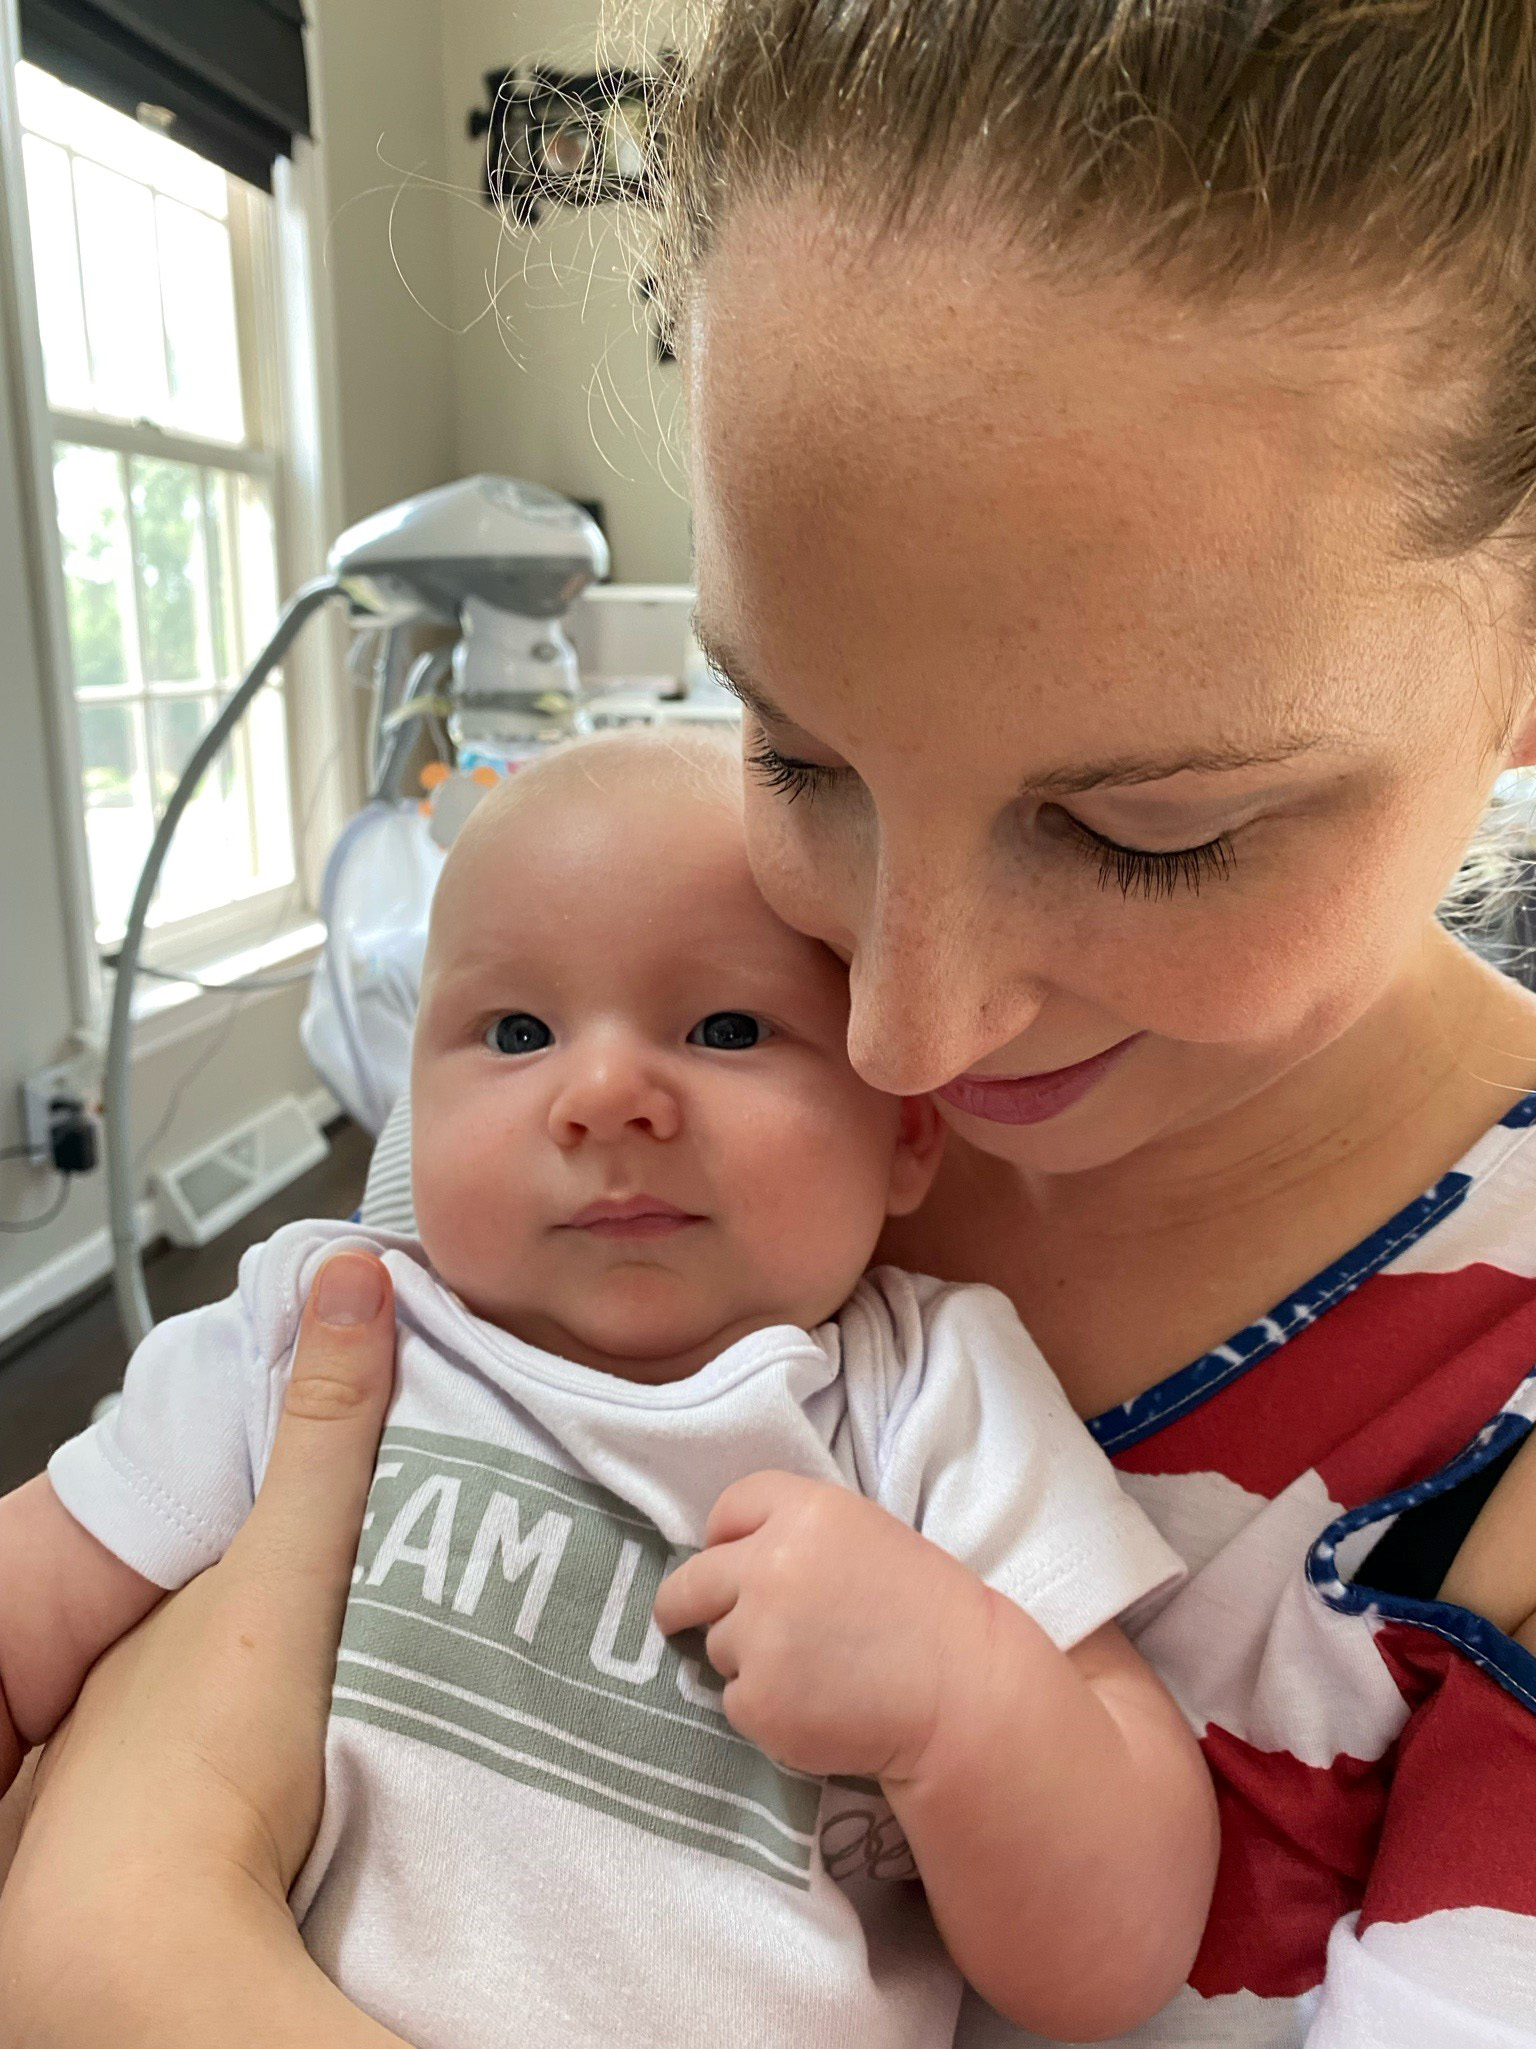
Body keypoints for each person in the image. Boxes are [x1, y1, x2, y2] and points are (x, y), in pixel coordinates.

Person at [9, 0, 1536, 2040]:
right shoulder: (575, 1078)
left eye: (1147, 832)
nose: (903, 1028)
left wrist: (131, 1941)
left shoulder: (1416, 1427)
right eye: (797, 748)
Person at [0, 734, 1211, 2049]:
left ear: (907, 1132)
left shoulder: (928, 1393)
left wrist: (959, 1690)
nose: (605, 1096)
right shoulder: (320, 1323)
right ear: (412, 1104)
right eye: (517, 1031)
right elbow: (29, 1603)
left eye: (729, 1026)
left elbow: (1122, 1952)